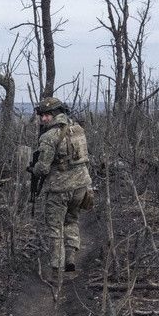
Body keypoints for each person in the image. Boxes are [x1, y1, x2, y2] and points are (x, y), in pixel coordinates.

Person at [29, 97, 92, 281]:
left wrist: (32, 169)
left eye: (47, 115)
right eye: (42, 115)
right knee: (72, 220)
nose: (44, 119)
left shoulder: (49, 137)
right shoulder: (78, 129)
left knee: (55, 228)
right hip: (81, 186)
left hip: (59, 189)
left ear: (56, 114)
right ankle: (71, 257)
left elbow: (43, 168)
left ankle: (57, 272)